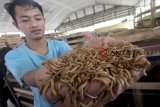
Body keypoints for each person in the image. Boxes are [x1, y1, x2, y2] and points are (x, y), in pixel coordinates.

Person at [4, 0, 150, 107]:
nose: (34, 24)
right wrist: (38, 76)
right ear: (16, 24)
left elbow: (77, 60)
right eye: (25, 20)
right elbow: (28, 77)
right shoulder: (13, 56)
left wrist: (100, 51)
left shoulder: (60, 45)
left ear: (43, 19)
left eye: (37, 18)